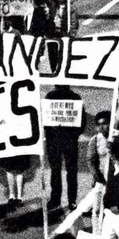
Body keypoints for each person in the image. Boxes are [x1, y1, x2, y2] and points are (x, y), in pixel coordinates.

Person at [43, 85, 82, 213]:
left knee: (56, 171)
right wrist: (74, 134)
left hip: (55, 141)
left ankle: (56, 199)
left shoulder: (50, 96)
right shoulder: (75, 97)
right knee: (70, 172)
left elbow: (45, 120)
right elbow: (82, 122)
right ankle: (72, 201)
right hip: (69, 141)